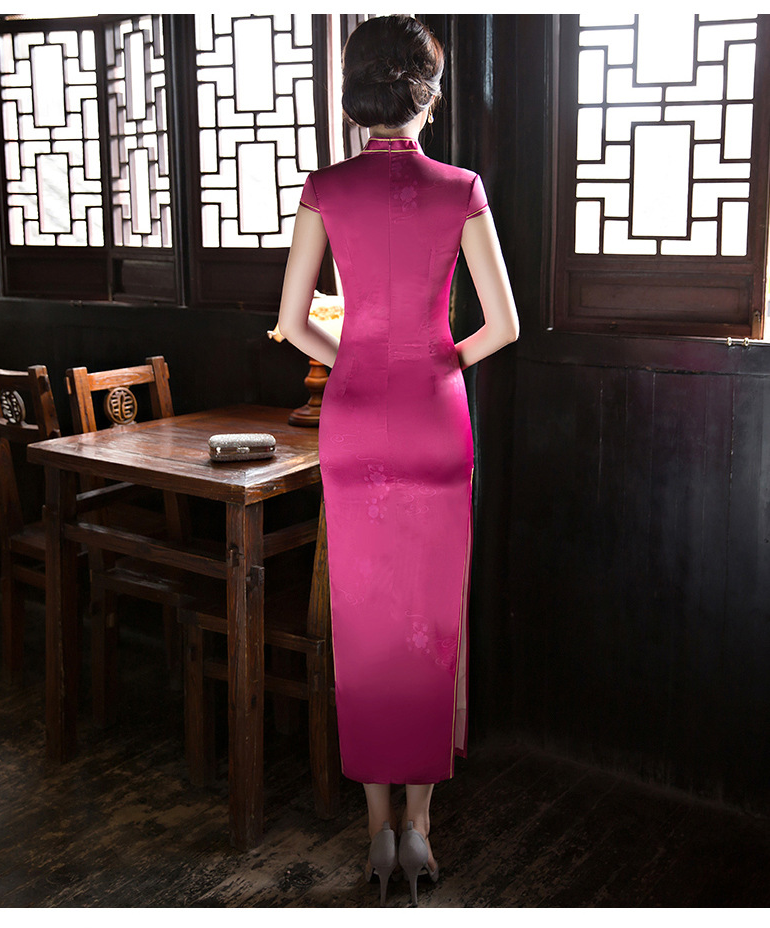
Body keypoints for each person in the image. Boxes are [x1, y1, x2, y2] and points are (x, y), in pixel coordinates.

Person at [277, 15, 519, 907]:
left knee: (365, 621)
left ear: (356, 95)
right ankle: (419, 827)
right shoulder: (462, 188)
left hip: (354, 422)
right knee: (429, 622)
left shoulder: (325, 188)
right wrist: (435, 364)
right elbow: (503, 326)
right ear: (427, 96)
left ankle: (376, 831)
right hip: (434, 419)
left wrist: (359, 363)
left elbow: (293, 322)